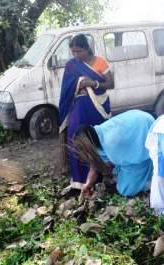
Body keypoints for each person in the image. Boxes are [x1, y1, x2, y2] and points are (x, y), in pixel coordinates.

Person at [59, 34, 115, 192]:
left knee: (98, 140)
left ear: (87, 48)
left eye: (79, 51)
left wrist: (93, 83)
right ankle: (79, 180)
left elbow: (111, 83)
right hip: (79, 107)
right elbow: (66, 88)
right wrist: (77, 84)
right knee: (76, 139)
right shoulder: (71, 65)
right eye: (73, 52)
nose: (76, 55)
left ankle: (103, 174)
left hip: (98, 108)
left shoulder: (100, 62)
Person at [73, 110, 154, 197]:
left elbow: (118, 164)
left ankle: (148, 183)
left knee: (125, 190)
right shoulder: (98, 133)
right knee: (119, 177)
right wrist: (87, 184)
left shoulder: (110, 144)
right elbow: (94, 167)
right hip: (139, 121)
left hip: (144, 128)